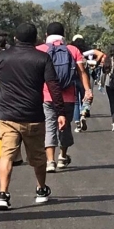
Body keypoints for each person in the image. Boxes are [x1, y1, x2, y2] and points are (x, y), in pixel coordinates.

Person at [0, 23, 66, 209]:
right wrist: (60, 111)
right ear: (36, 39)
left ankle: (3, 194)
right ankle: (41, 190)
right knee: (38, 157)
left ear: (15, 38)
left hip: (7, 116)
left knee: (6, 155)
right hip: (34, 116)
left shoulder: (3, 57)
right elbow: (53, 86)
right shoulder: (42, 58)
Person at [36, 22, 93, 172]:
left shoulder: (40, 49)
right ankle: (62, 157)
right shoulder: (72, 49)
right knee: (65, 127)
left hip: (47, 95)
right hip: (68, 96)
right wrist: (87, 90)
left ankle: (50, 161)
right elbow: (82, 72)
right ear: (63, 35)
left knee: (49, 127)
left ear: (46, 36)